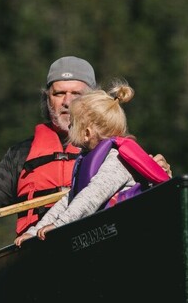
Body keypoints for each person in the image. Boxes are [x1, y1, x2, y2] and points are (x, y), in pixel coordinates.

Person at [0, 56, 171, 241]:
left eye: (76, 94)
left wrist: (157, 175)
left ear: (93, 98)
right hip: (41, 247)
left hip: (103, 238)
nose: (67, 102)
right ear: (48, 99)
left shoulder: (117, 151)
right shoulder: (21, 155)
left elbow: (147, 200)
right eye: (58, 94)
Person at [15, 79, 170, 247]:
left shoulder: (117, 161)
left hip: (127, 236)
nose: (69, 129)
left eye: (72, 125)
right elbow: (69, 200)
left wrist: (59, 225)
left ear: (87, 133)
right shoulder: (85, 160)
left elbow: (90, 197)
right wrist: (34, 231)